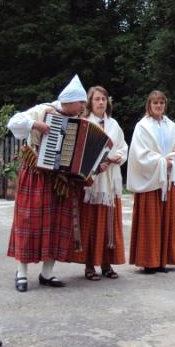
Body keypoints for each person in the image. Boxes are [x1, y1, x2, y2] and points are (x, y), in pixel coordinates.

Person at [7, 74, 87, 292]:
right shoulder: (43, 110)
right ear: (70, 101)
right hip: (35, 174)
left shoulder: (78, 122)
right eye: (81, 103)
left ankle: (47, 272)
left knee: (56, 223)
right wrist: (36, 124)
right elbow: (13, 122)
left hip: (59, 179)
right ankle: (21, 272)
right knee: (27, 222)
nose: (83, 107)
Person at [67, 86, 128, 280]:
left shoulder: (114, 125)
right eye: (97, 99)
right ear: (90, 103)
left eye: (104, 99)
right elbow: (79, 150)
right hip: (92, 182)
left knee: (109, 222)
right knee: (92, 223)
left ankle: (107, 264)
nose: (101, 102)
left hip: (109, 181)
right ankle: (89, 265)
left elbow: (123, 147)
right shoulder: (85, 123)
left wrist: (115, 158)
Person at [126, 90, 175, 274]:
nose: (158, 106)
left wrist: (173, 160)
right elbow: (139, 153)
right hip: (151, 180)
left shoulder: (171, 126)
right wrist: (162, 162)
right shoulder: (142, 127)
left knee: (166, 220)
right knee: (150, 221)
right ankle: (148, 261)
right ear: (149, 105)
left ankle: (162, 260)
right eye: (155, 103)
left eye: (161, 102)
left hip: (167, 178)